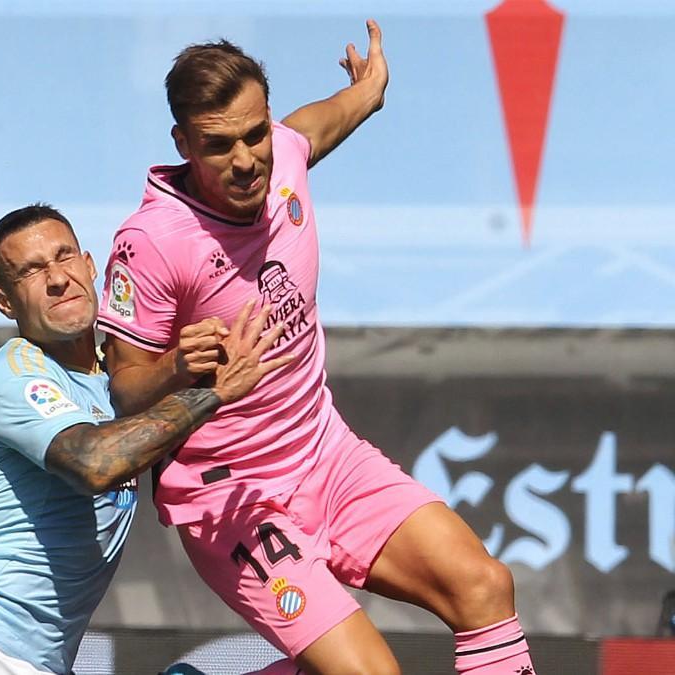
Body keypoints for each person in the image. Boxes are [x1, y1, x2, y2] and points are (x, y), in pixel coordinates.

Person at [96, 22, 536, 675]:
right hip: (232, 497)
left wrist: (368, 90)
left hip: (328, 456)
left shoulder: (284, 156)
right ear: (183, 142)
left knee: (484, 585)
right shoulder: (153, 242)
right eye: (218, 145)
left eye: (255, 134)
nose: (245, 159)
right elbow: (124, 388)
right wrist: (179, 365)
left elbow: (318, 126)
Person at [0, 204, 293, 675]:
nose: (57, 279)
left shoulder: (121, 383)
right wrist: (213, 392)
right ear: (5, 302)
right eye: (31, 271)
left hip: (45, 664)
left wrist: (181, 367)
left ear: (90, 266)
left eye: (64, 257)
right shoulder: (14, 374)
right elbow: (95, 462)